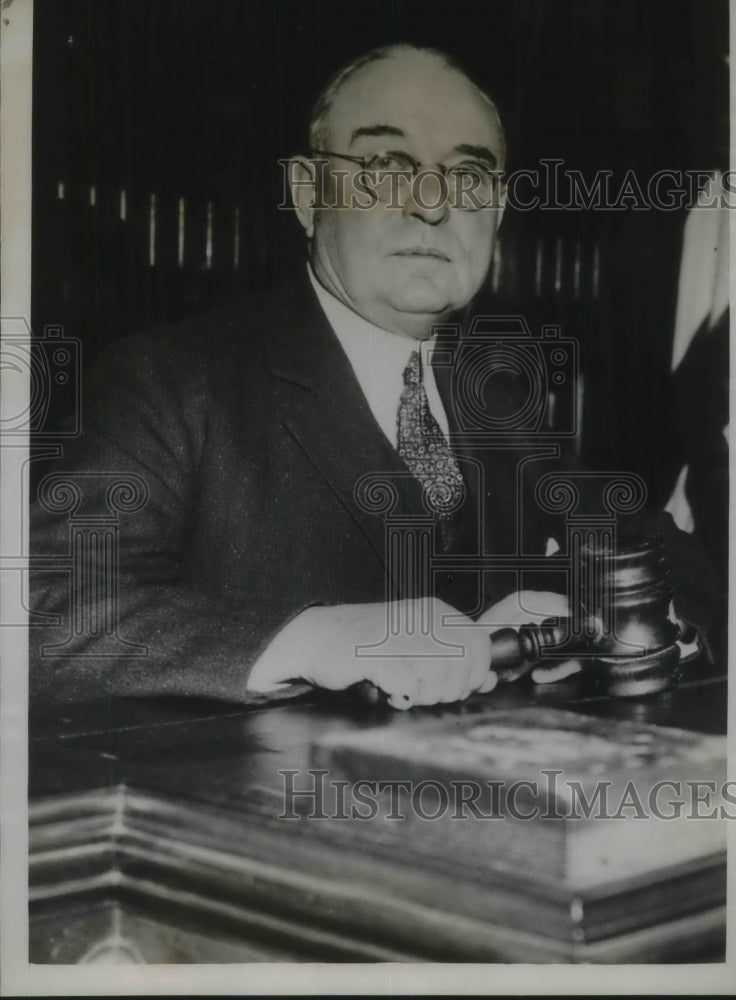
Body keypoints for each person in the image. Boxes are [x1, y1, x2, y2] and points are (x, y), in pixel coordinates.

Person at [29, 44, 714, 709]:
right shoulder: (169, 381)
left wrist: (585, 616)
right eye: (386, 163)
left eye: (468, 175)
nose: (432, 203)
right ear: (306, 193)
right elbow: (45, 618)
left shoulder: (501, 396)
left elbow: (651, 539)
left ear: (498, 214)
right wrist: (327, 638)